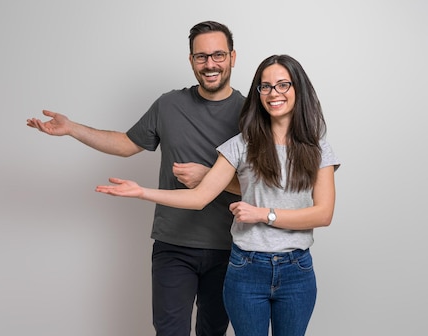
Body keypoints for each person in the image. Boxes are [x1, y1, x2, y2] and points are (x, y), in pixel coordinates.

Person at [96, 54, 340, 336]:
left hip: (297, 269)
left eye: (283, 85)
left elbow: (323, 214)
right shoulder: (241, 144)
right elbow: (199, 197)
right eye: (266, 86)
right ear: (258, 93)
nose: (274, 93)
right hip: (247, 268)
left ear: (299, 88)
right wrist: (142, 192)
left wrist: (264, 214)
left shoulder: (318, 149)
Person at [27, 21, 245, 336]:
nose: (210, 64)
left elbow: (262, 185)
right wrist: (72, 128)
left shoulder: (251, 112)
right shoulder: (170, 105)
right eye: (201, 57)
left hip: (230, 247)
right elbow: (126, 144)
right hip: (173, 246)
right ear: (191, 61)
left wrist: (209, 178)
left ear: (233, 57)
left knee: (213, 332)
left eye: (218, 55)